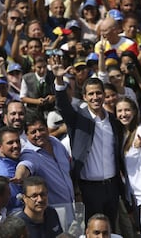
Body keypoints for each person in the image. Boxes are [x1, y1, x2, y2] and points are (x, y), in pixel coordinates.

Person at [53, 61, 124, 229]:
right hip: (89, 189)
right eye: (90, 94)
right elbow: (62, 105)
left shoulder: (114, 121)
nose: (95, 97)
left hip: (112, 187)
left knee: (110, 229)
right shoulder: (78, 118)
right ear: (84, 97)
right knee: (93, 230)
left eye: (98, 93)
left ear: (104, 95)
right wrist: (59, 80)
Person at [115, 97, 141, 237]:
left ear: (134, 111)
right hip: (134, 195)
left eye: (127, 110)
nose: (123, 114)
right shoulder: (125, 133)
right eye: (120, 111)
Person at [0, 126, 23, 213]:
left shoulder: (12, 160)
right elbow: (16, 202)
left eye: (17, 141)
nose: (16, 145)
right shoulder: (3, 172)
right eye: (10, 143)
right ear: (0, 147)